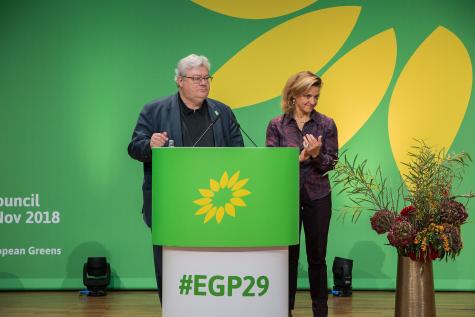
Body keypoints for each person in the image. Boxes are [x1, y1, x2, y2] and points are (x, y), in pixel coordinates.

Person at [127, 54, 244, 302]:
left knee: (213, 263)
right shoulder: (155, 110)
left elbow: (238, 154)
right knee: (171, 265)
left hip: (215, 203)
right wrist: (150, 144)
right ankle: (172, 306)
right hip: (171, 203)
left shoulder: (221, 112)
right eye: (196, 78)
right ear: (180, 81)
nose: (203, 83)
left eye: (206, 78)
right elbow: (134, 148)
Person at [265, 71, 338, 317]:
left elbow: (331, 163)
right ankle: (284, 309)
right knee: (288, 258)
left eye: (316, 96)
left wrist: (317, 155)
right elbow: (273, 166)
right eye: (307, 95)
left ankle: (320, 311)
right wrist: (299, 158)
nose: (313, 101)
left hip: (318, 196)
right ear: (293, 95)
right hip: (287, 197)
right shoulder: (277, 125)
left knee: (317, 258)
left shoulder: (326, 124)